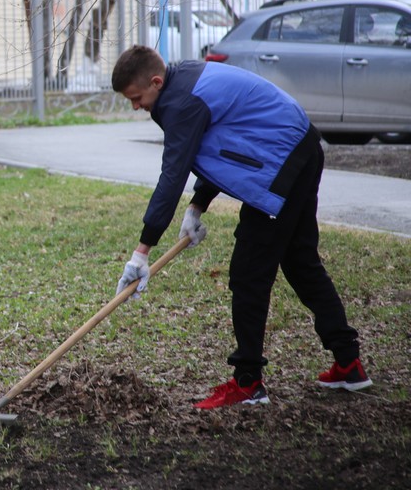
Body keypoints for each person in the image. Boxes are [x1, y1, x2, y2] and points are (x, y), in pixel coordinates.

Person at [111, 45, 370, 409]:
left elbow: (173, 174)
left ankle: (248, 382)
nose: (135, 106)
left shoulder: (180, 102)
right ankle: (349, 363)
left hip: (281, 165)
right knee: (300, 263)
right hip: (299, 149)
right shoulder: (183, 80)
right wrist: (197, 207)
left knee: (249, 275)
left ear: (155, 81)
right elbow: (218, 142)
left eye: (136, 98)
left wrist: (142, 252)